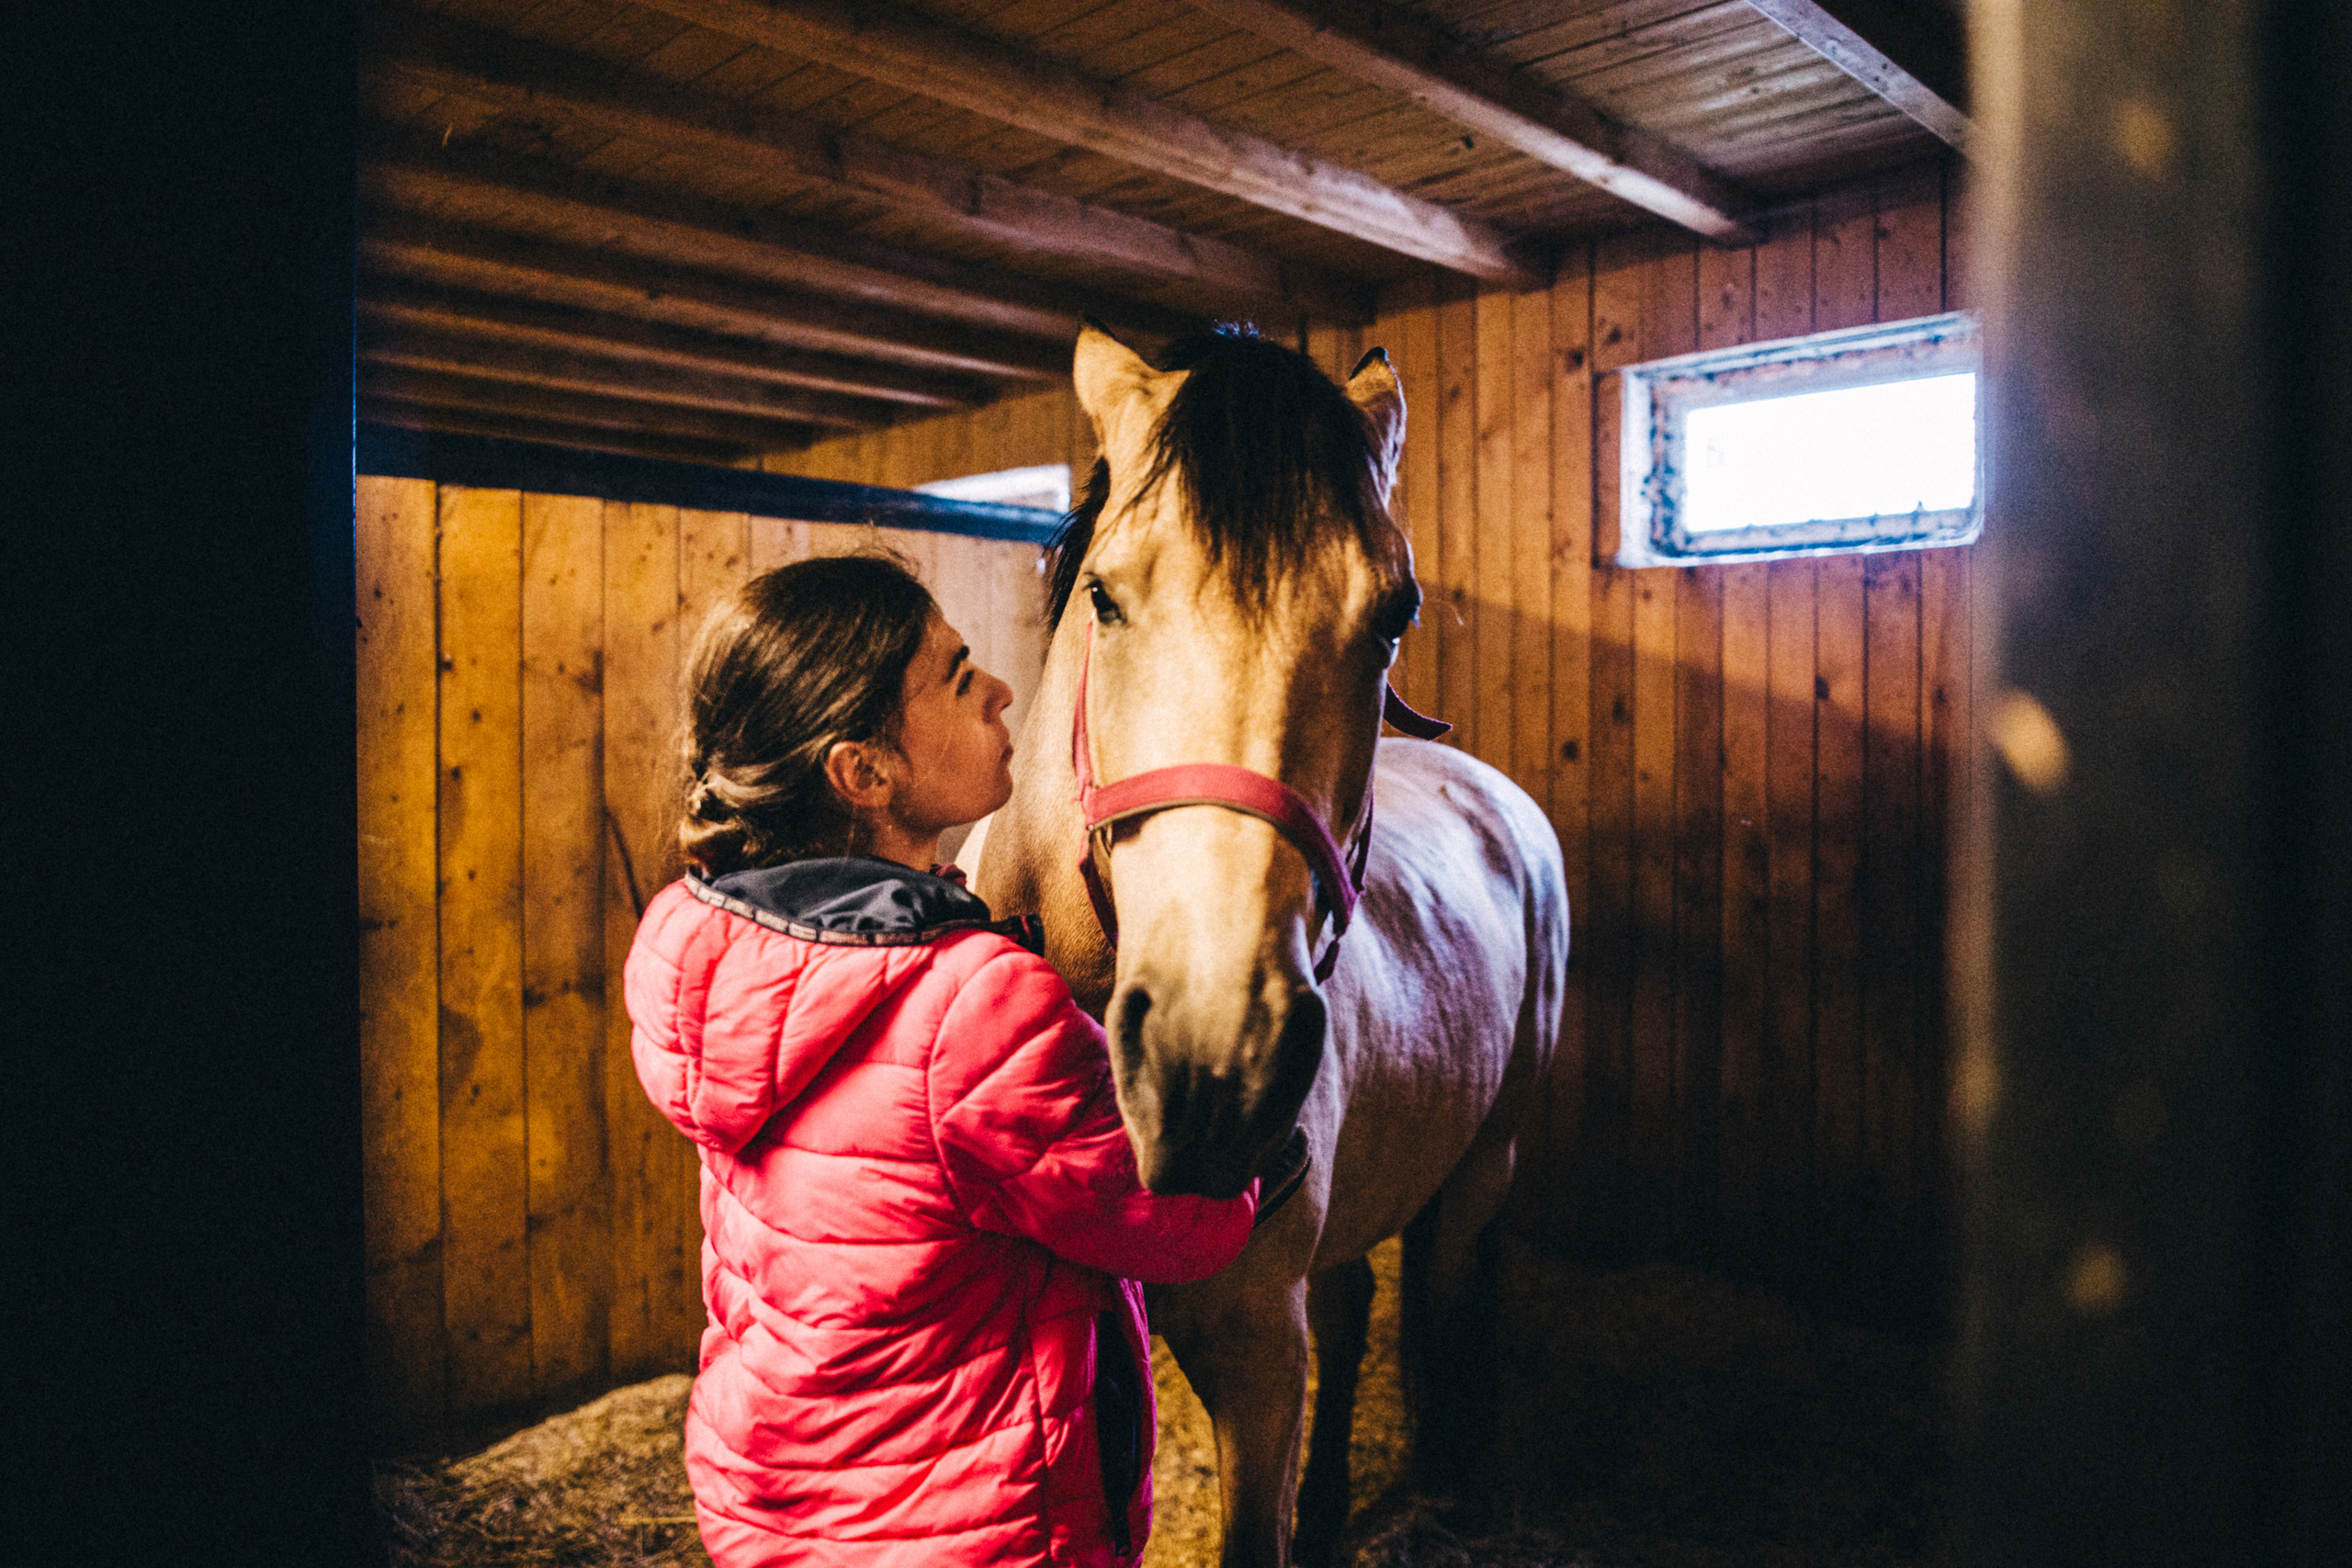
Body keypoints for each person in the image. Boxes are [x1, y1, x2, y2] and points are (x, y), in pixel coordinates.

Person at [624, 553, 1300, 1568]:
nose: (1001, 689)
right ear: (864, 773)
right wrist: (1254, 1152)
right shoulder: (975, 1005)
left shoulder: (696, 940)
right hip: (975, 1525)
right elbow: (1174, 1233)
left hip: (776, 1496)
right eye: (957, 675)